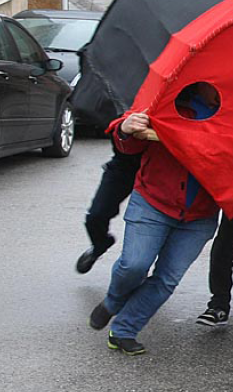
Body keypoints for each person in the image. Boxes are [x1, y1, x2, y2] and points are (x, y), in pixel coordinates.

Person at [87, 85, 222, 355]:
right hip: (153, 202)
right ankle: (113, 302)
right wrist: (125, 129)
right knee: (134, 265)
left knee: (166, 280)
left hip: (200, 215)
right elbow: (128, 145)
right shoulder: (167, 101)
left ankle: (124, 330)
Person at [75, 147, 141, 274]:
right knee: (95, 216)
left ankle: (144, 271)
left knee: (147, 224)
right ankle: (100, 244)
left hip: (158, 168)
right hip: (124, 164)